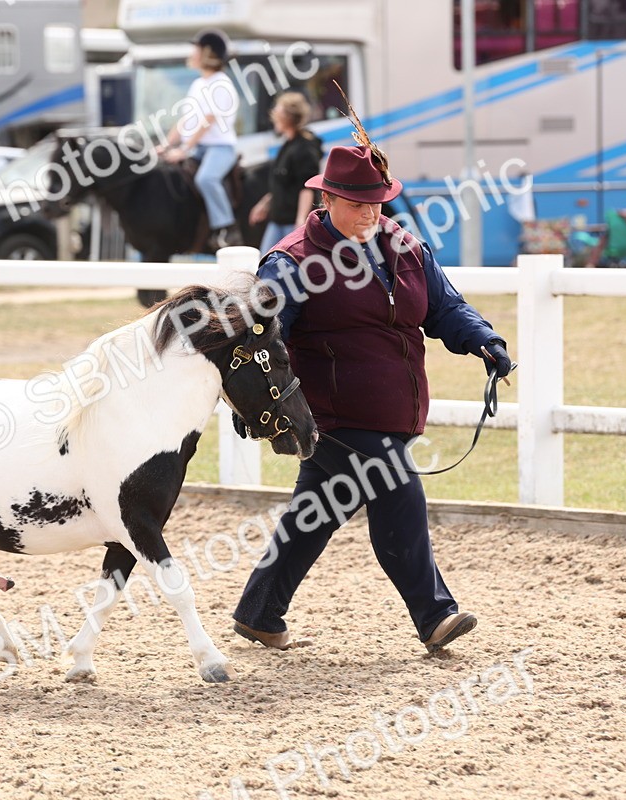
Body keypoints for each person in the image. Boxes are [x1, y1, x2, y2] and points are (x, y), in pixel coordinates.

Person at [230, 139, 513, 654]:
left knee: (314, 513)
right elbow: (259, 338)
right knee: (399, 495)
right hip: (333, 416)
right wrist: (258, 407)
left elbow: (444, 305)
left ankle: (259, 612)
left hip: (393, 410)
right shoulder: (292, 262)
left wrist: (484, 340)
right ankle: (434, 615)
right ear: (328, 200)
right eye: (358, 203)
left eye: (378, 202)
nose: (370, 213)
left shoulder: (404, 245)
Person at [156, 29, 242, 249]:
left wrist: (184, 149)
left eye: (196, 49)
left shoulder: (221, 83)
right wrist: (166, 145)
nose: (192, 54)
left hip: (220, 148)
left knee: (206, 179)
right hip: (198, 146)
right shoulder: (198, 84)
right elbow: (186, 120)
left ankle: (226, 228)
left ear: (207, 53)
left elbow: (207, 120)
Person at [249, 92, 323, 253]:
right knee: (265, 259)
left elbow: (306, 187)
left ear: (289, 117)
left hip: (292, 221)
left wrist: (300, 220)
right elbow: (281, 183)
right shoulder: (288, 145)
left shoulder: (305, 147)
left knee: (291, 262)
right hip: (278, 219)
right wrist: (264, 205)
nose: (274, 117)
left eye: (278, 113)